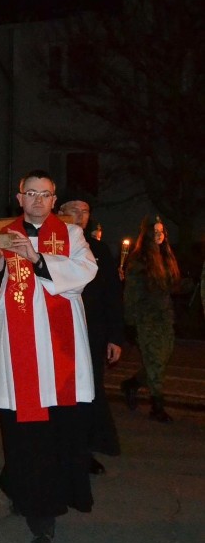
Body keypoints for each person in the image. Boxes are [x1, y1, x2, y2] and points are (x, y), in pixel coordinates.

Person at [0, 170, 97, 543]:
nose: (39, 200)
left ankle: (49, 504)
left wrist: (38, 258)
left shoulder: (72, 235)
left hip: (60, 352)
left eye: (46, 194)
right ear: (19, 197)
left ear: (54, 199)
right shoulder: (2, 234)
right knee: (23, 435)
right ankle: (28, 498)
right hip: (20, 352)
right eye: (31, 193)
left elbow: (85, 272)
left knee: (55, 435)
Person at [58, 198, 123, 472]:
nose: (80, 215)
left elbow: (112, 296)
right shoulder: (52, 246)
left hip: (92, 333)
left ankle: (85, 449)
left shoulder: (98, 249)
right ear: (59, 213)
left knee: (89, 391)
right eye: (74, 210)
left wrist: (115, 336)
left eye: (85, 211)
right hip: (59, 331)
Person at [121, 216, 180, 422]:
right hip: (146, 319)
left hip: (165, 318)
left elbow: (169, 286)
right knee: (155, 362)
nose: (159, 235)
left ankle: (132, 383)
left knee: (161, 361)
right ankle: (157, 406)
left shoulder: (166, 257)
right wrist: (130, 323)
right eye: (155, 232)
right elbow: (131, 293)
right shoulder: (140, 260)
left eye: (162, 231)